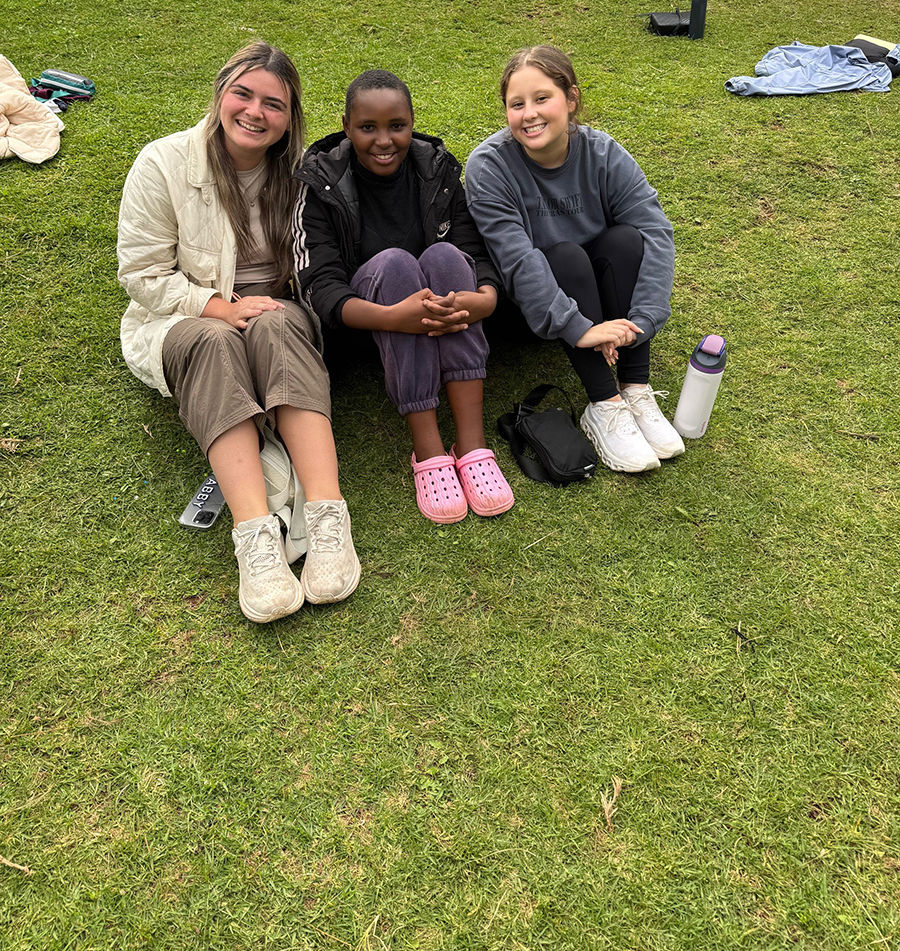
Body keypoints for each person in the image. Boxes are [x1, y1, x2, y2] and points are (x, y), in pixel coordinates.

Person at [117, 43, 360, 623]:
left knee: (275, 325)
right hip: (186, 319)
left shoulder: (304, 174)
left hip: (278, 313)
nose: (255, 112)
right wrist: (212, 306)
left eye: (273, 104)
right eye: (243, 94)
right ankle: (256, 541)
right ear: (221, 94)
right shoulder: (165, 162)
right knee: (215, 342)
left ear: (289, 117)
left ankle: (329, 520)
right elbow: (142, 274)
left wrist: (269, 307)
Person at [291, 69, 514, 524]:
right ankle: (428, 447)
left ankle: (471, 444)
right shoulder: (320, 183)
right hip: (368, 321)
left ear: (412, 123)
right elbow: (320, 287)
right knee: (395, 263)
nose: (383, 140)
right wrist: (395, 317)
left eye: (397, 126)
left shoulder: (438, 168)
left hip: (440, 310)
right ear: (346, 126)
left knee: (448, 256)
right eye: (367, 128)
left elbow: (476, 248)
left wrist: (485, 299)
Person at [465, 45, 684, 473]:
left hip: (600, 297)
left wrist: (645, 317)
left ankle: (635, 388)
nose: (529, 114)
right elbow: (516, 259)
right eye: (516, 104)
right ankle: (604, 404)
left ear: (571, 99)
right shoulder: (489, 167)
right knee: (563, 255)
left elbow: (656, 230)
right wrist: (577, 326)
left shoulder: (603, 153)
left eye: (542, 98)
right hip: (530, 307)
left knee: (627, 240)